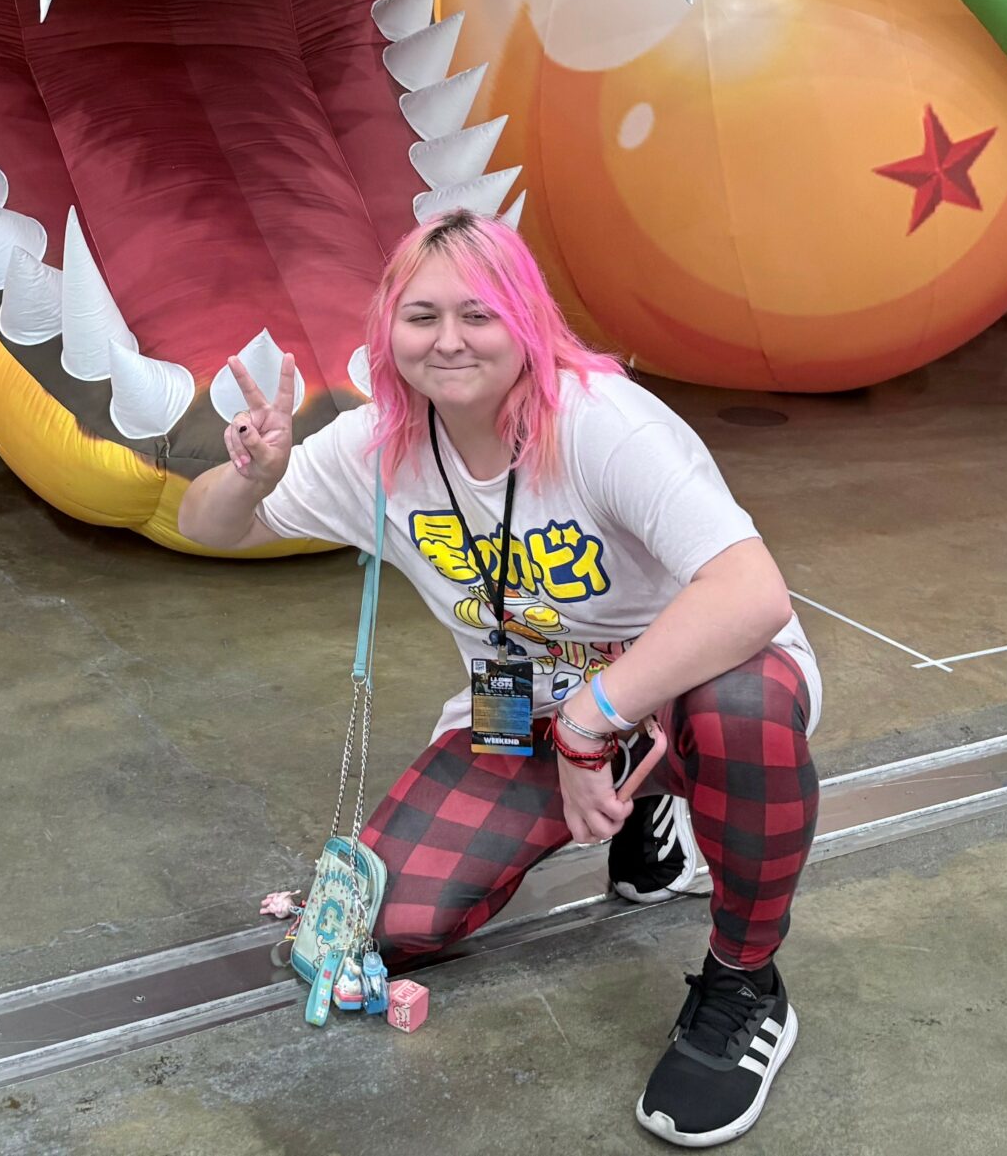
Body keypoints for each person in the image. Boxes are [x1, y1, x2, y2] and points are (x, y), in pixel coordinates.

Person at [179, 208, 820, 1147]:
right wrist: (252, 473)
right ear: (388, 330)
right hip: (519, 707)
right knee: (380, 923)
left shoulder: (603, 423)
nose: (448, 339)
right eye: (422, 315)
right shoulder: (378, 447)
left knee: (744, 705)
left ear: (527, 319)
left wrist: (590, 726)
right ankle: (647, 819)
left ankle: (745, 981)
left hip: (680, 693)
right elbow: (208, 525)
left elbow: (752, 592)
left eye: (477, 314)